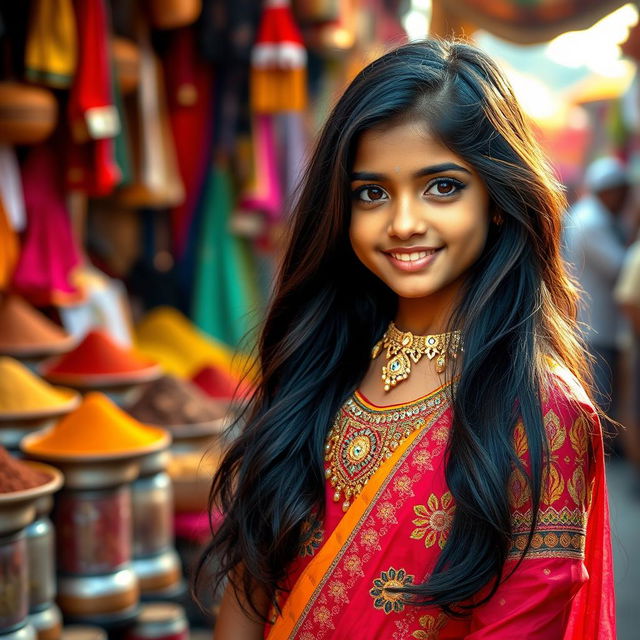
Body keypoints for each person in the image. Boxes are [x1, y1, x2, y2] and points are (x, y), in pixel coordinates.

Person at [194, 39, 615, 639]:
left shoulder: (542, 412)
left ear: (497, 199)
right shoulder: (319, 363)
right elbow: (253, 576)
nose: (403, 223)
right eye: (372, 192)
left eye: (441, 187)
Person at [562, 156, 629, 421]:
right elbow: (620, 266)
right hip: (594, 326)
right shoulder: (591, 221)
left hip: (596, 324)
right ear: (608, 191)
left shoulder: (592, 215)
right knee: (598, 400)